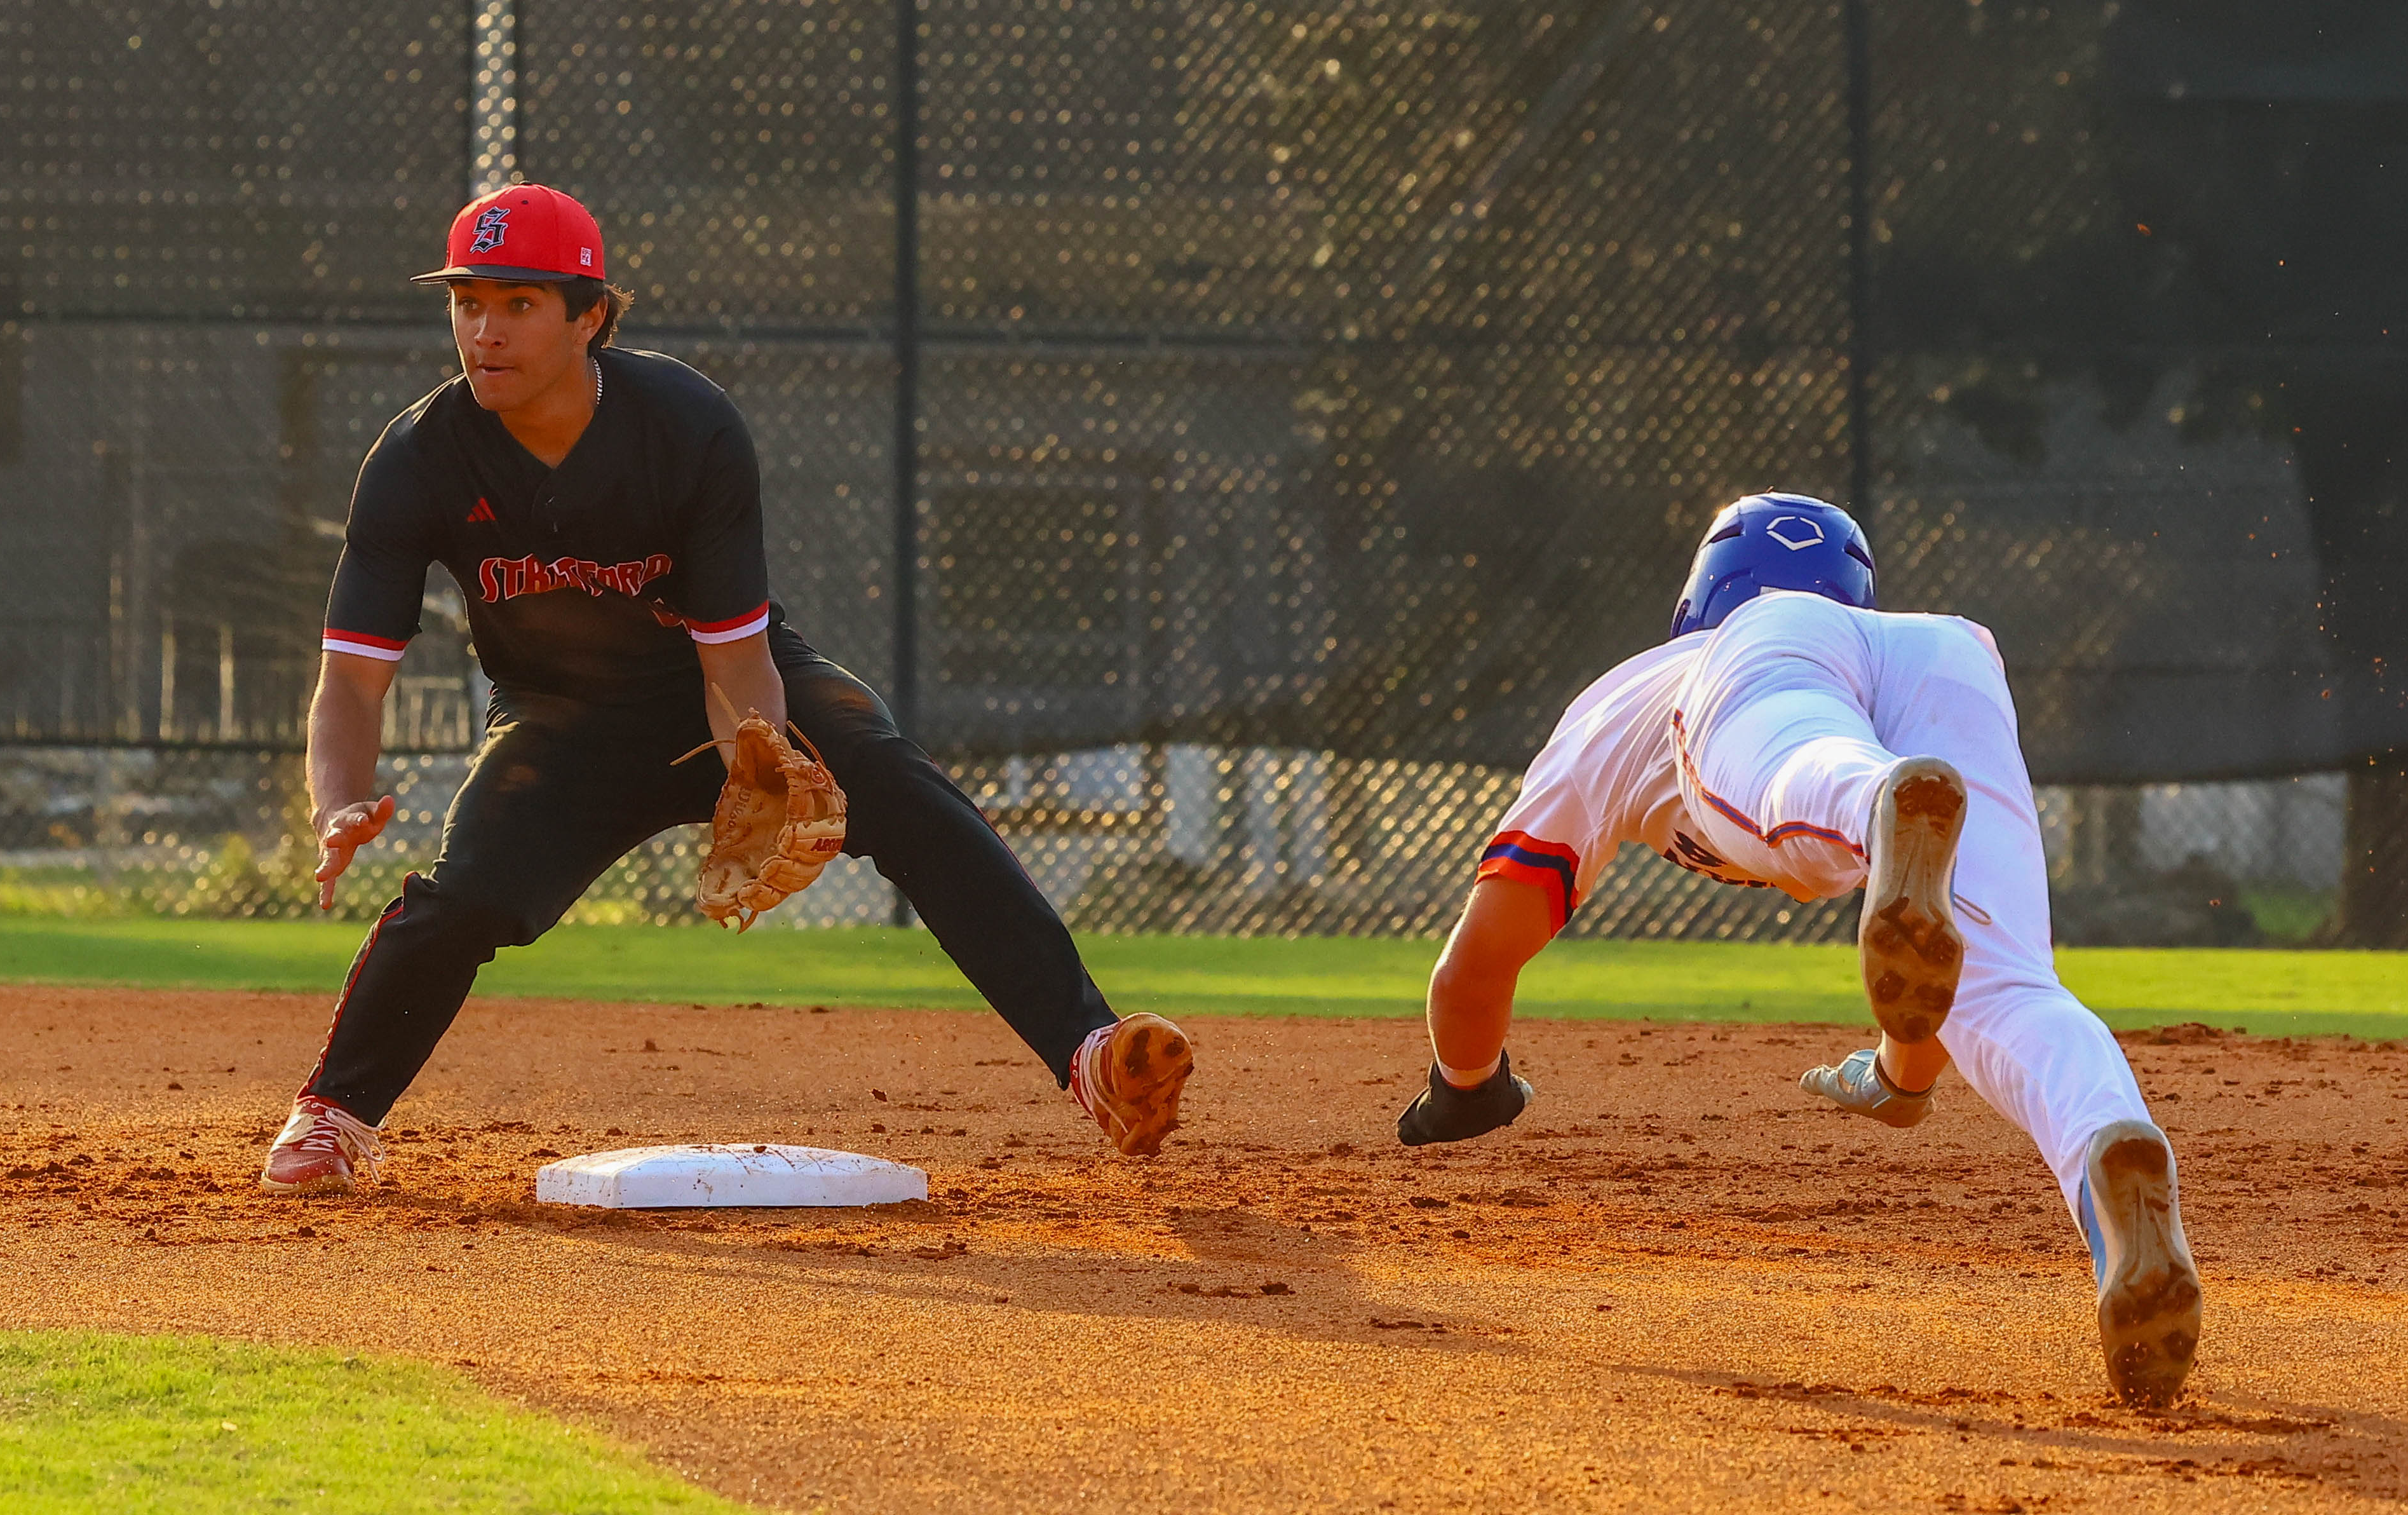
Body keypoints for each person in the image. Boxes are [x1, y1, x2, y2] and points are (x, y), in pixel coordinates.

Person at [262, 184, 1191, 1195]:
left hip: (733, 688)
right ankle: (333, 1116)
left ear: (591, 318)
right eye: (468, 301)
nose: (484, 331)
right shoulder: (416, 458)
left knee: (900, 788)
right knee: (468, 893)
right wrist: (338, 797)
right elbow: (352, 679)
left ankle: (1089, 1053)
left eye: (520, 303)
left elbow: (734, 658)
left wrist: (765, 769)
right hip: (563, 721)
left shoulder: (685, 425)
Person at [1391, 493, 2203, 1406]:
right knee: (2010, 989)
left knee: (1797, 765)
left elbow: (1479, 960)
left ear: (1699, 596)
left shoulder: (1637, 690)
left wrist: (1463, 1091)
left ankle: (1866, 803)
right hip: (1949, 656)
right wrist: (1900, 1079)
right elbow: (1922, 958)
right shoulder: (1894, 645)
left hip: (1791, 681)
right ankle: (2108, 1149)